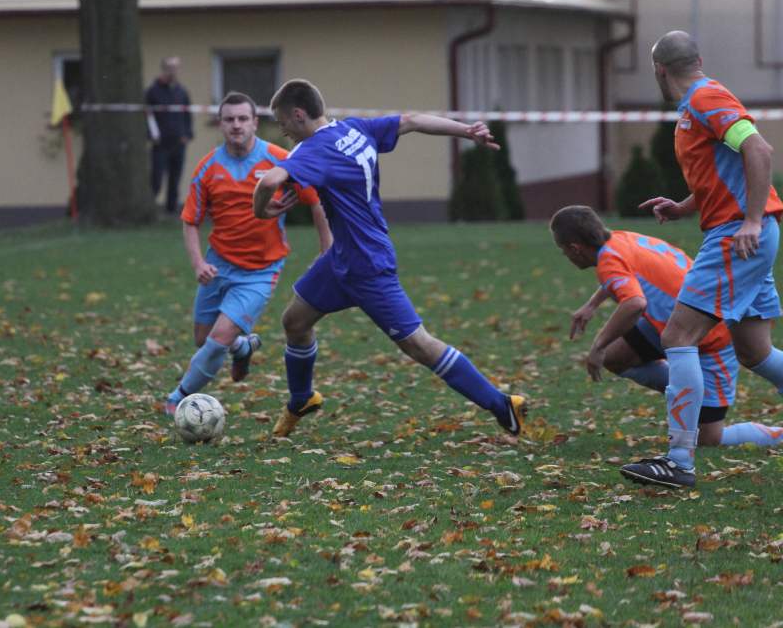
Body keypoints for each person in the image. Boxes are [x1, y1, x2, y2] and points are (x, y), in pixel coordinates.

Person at [253, 79, 526, 438]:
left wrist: (264, 212)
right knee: (295, 322)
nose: (283, 130)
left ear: (299, 114)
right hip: (342, 258)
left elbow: (269, 180)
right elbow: (412, 120)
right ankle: (301, 398)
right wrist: (466, 132)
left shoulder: (314, 149)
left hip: (367, 264)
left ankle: (501, 402)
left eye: (283, 121)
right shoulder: (353, 128)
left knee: (419, 345)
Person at [622, 30, 783, 488]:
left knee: (678, 334)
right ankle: (680, 457)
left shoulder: (706, 98)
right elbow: (722, 168)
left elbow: (758, 149)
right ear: (699, 58)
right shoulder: (698, 103)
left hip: (739, 236)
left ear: (659, 70)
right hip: (744, 232)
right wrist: (684, 206)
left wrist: (751, 220)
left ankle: (679, 460)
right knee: (753, 350)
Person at [550, 205, 783, 452]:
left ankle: (777, 434)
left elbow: (634, 303)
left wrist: (598, 345)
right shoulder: (621, 239)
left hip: (711, 339)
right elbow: (623, 277)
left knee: (708, 439)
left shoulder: (609, 260)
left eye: (564, 251)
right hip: (676, 324)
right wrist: (592, 304)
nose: (566, 256)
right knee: (616, 358)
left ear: (575, 248)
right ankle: (687, 389)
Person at [165, 91, 332, 415]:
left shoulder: (280, 159)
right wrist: (198, 262)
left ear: (255, 123)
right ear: (221, 124)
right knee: (203, 338)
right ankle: (242, 348)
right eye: (229, 119)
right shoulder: (208, 168)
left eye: (243, 119)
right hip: (217, 264)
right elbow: (190, 222)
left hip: (260, 270)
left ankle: (177, 398)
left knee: (218, 339)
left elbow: (316, 201)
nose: (236, 125)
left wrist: (327, 250)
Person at [145, 57, 193, 214]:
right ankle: (149, 208)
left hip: (179, 142)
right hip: (160, 143)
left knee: (175, 178)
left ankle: (171, 211)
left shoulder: (181, 91)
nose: (173, 71)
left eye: (176, 67)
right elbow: (147, 115)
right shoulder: (153, 91)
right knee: (156, 178)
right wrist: (152, 135)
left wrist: (187, 134)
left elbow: (187, 115)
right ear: (164, 69)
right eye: (170, 67)